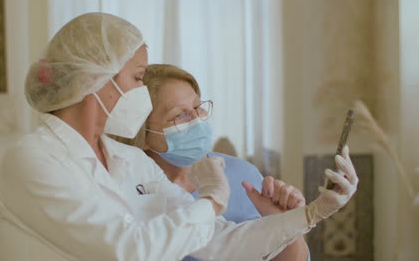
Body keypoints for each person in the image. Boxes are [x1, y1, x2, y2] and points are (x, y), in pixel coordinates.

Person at [0, 13, 358, 261]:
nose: (140, 90)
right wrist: (213, 199)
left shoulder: (126, 159)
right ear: (95, 79)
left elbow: (218, 242)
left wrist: (313, 212)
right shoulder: (32, 160)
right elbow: (126, 250)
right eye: (137, 78)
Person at [110, 64, 311, 260]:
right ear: (143, 135)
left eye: (198, 106)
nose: (197, 119)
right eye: (180, 115)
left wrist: (287, 224)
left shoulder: (244, 177)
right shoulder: (128, 185)